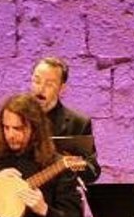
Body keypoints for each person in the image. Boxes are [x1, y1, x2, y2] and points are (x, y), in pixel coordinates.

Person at [29, 57, 101, 185]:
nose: (40, 89)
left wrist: (70, 163)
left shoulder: (78, 123)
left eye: (49, 84)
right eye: (37, 81)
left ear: (61, 88)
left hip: (60, 193)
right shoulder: (15, 117)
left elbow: (92, 172)